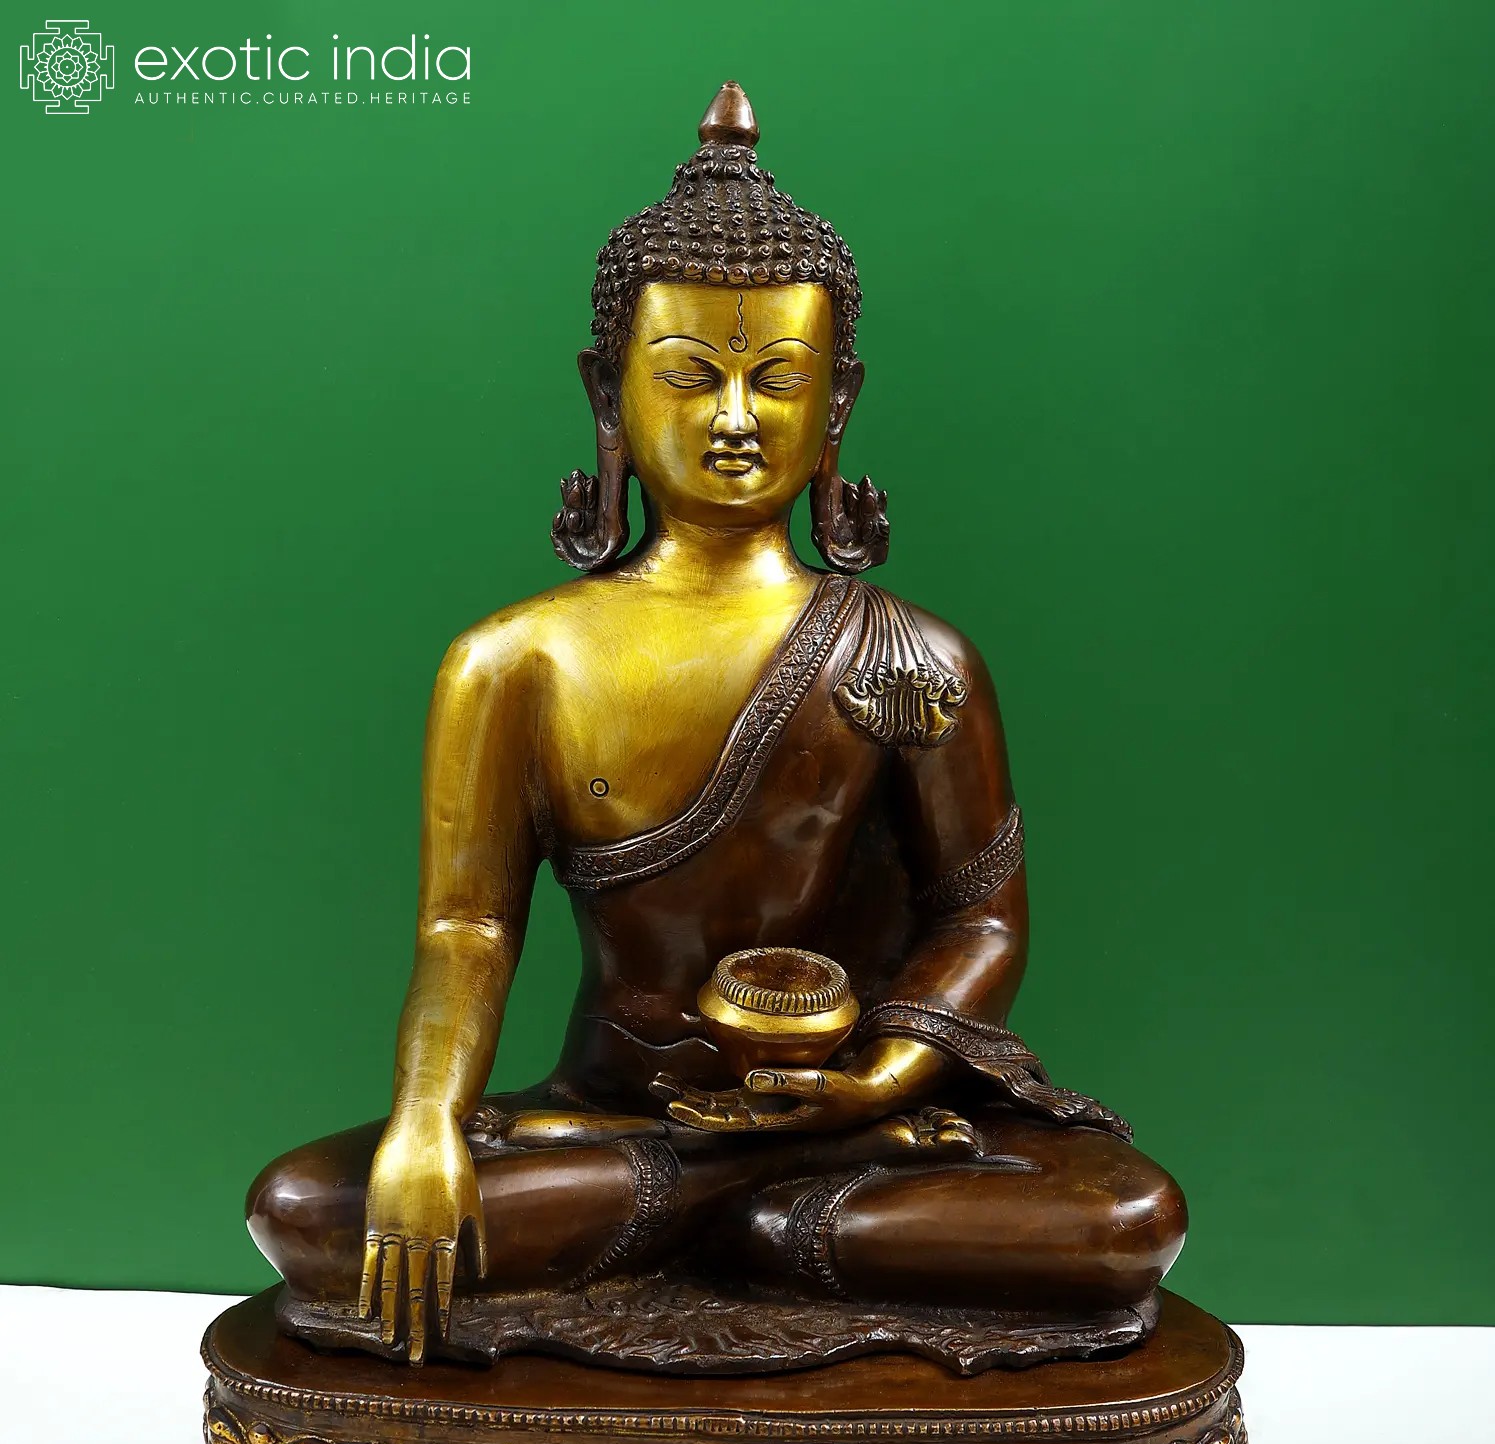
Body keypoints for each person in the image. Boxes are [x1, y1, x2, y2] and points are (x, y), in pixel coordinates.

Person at [248, 84, 1186, 1365]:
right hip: (617, 1117)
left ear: (837, 401)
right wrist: (424, 1123)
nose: (736, 418)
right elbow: (467, 928)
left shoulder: (911, 657)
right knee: (309, 1210)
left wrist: (876, 1085)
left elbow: (979, 920)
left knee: (1125, 1219)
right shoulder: (516, 659)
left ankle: (751, 1190)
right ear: (609, 390)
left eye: (777, 379)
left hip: (844, 1112)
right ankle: (746, 1199)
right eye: (690, 375)